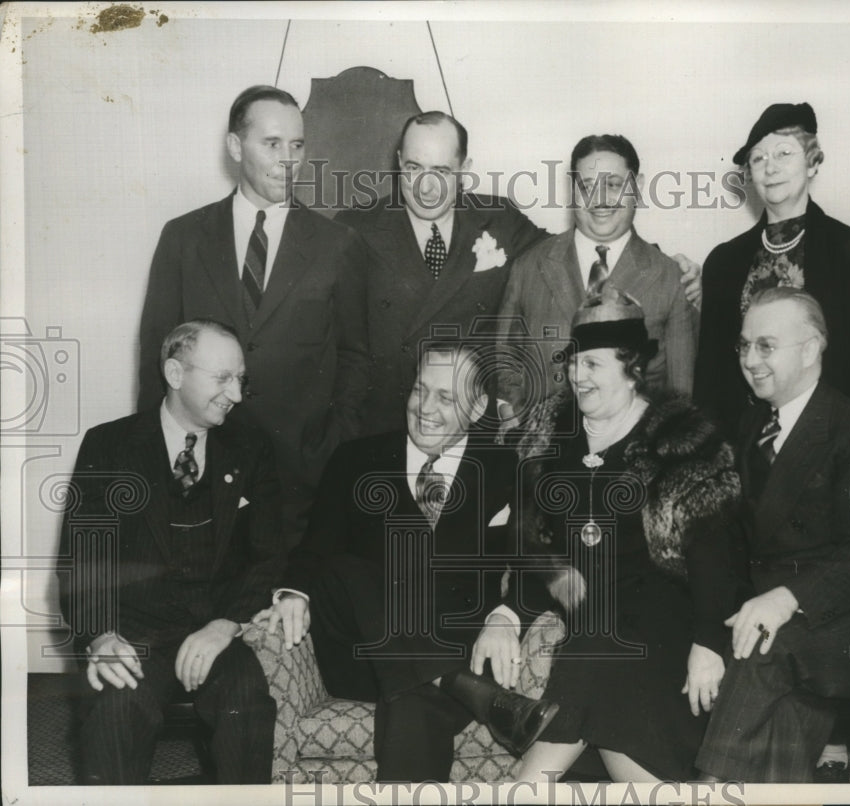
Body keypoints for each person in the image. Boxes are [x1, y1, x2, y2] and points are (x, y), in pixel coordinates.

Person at [473, 286, 742, 782]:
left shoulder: (682, 441)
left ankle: (528, 785)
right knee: (595, 644)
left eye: (593, 364)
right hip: (586, 611)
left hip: (663, 618)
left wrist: (708, 642)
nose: (577, 376)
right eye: (573, 363)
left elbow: (714, 556)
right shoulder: (553, 435)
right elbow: (538, 548)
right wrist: (509, 610)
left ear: (632, 367)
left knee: (597, 650)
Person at [261, 340, 558, 782]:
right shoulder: (355, 459)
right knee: (344, 571)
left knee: (413, 702)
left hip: (461, 647)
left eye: (445, 397)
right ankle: (463, 686)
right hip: (362, 654)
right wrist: (293, 592)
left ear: (478, 408)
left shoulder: (505, 467)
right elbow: (313, 550)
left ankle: (451, 681)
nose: (425, 408)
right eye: (420, 390)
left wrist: (506, 616)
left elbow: (542, 566)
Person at [694, 287, 850, 783]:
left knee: (763, 647)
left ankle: (709, 787)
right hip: (791, 622)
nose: (750, 361)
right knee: (780, 687)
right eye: (744, 346)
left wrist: (787, 598)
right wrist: (706, 633)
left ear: (811, 350)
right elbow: (725, 539)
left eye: (766, 346)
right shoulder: (751, 426)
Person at [137, 85, 369, 548]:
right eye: (272, 143)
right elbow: (155, 359)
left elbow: (356, 358)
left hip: (301, 483)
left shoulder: (337, 245)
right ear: (235, 146)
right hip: (202, 470)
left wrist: (329, 449)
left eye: (297, 145)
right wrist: (156, 460)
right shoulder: (183, 238)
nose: (289, 159)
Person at [59, 320, 283, 784]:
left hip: (215, 631)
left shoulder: (252, 446)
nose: (236, 395)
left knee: (248, 706)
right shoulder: (110, 445)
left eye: (240, 379)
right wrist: (101, 636)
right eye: (222, 378)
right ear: (176, 374)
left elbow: (269, 554)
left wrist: (224, 626)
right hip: (132, 633)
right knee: (116, 712)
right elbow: (82, 560)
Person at [694, 102, 850, 441]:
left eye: (783, 153)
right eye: (758, 159)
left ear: (813, 163)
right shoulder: (723, 261)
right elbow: (710, 382)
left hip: (828, 449)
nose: (770, 168)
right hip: (742, 451)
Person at [336, 111, 547, 437]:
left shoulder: (500, 219)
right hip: (383, 430)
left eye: (442, 171)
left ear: (465, 169)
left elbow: (563, 261)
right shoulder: (356, 229)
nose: (426, 188)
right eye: (413, 168)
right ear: (398, 162)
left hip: (474, 429)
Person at [497, 134, 701, 425]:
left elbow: (680, 398)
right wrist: (515, 423)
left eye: (614, 185)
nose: (600, 199)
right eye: (587, 186)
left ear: (638, 187)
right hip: (547, 455)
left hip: (633, 457)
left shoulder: (670, 278)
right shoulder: (529, 267)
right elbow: (505, 362)